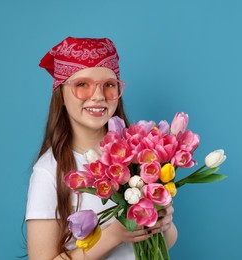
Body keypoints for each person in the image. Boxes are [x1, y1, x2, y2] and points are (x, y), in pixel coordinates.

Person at [25, 36, 177, 259]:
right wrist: (113, 235)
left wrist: (163, 224)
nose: (97, 96)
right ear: (61, 93)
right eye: (82, 85)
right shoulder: (49, 171)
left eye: (108, 85)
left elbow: (167, 242)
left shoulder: (138, 154)